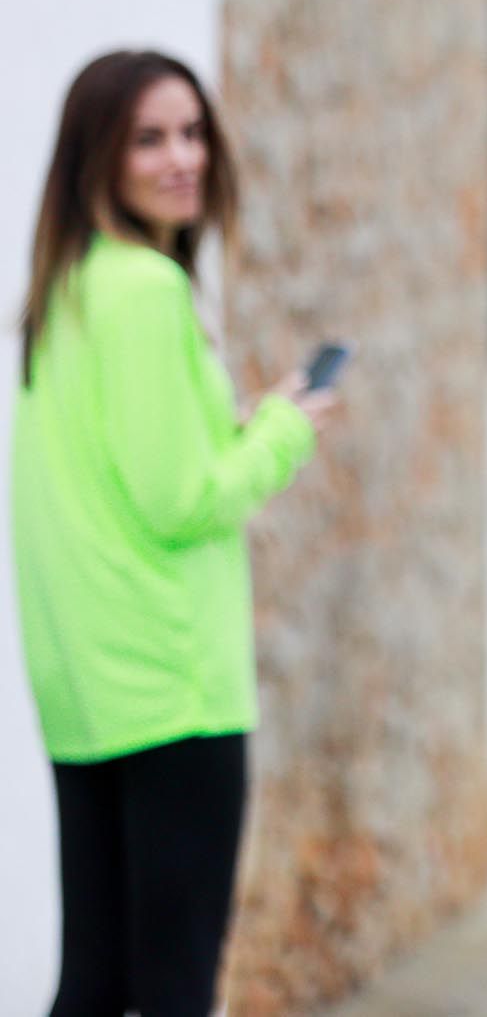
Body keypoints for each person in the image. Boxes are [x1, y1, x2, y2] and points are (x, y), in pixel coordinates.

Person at [12, 50, 333, 1017]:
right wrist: (284, 431)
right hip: (174, 684)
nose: (183, 156)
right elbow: (181, 502)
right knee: (175, 985)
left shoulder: (69, 287)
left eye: (192, 132)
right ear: (96, 154)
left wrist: (237, 425)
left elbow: (120, 479)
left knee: (98, 981)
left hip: (90, 684)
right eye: (150, 137)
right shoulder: (147, 291)